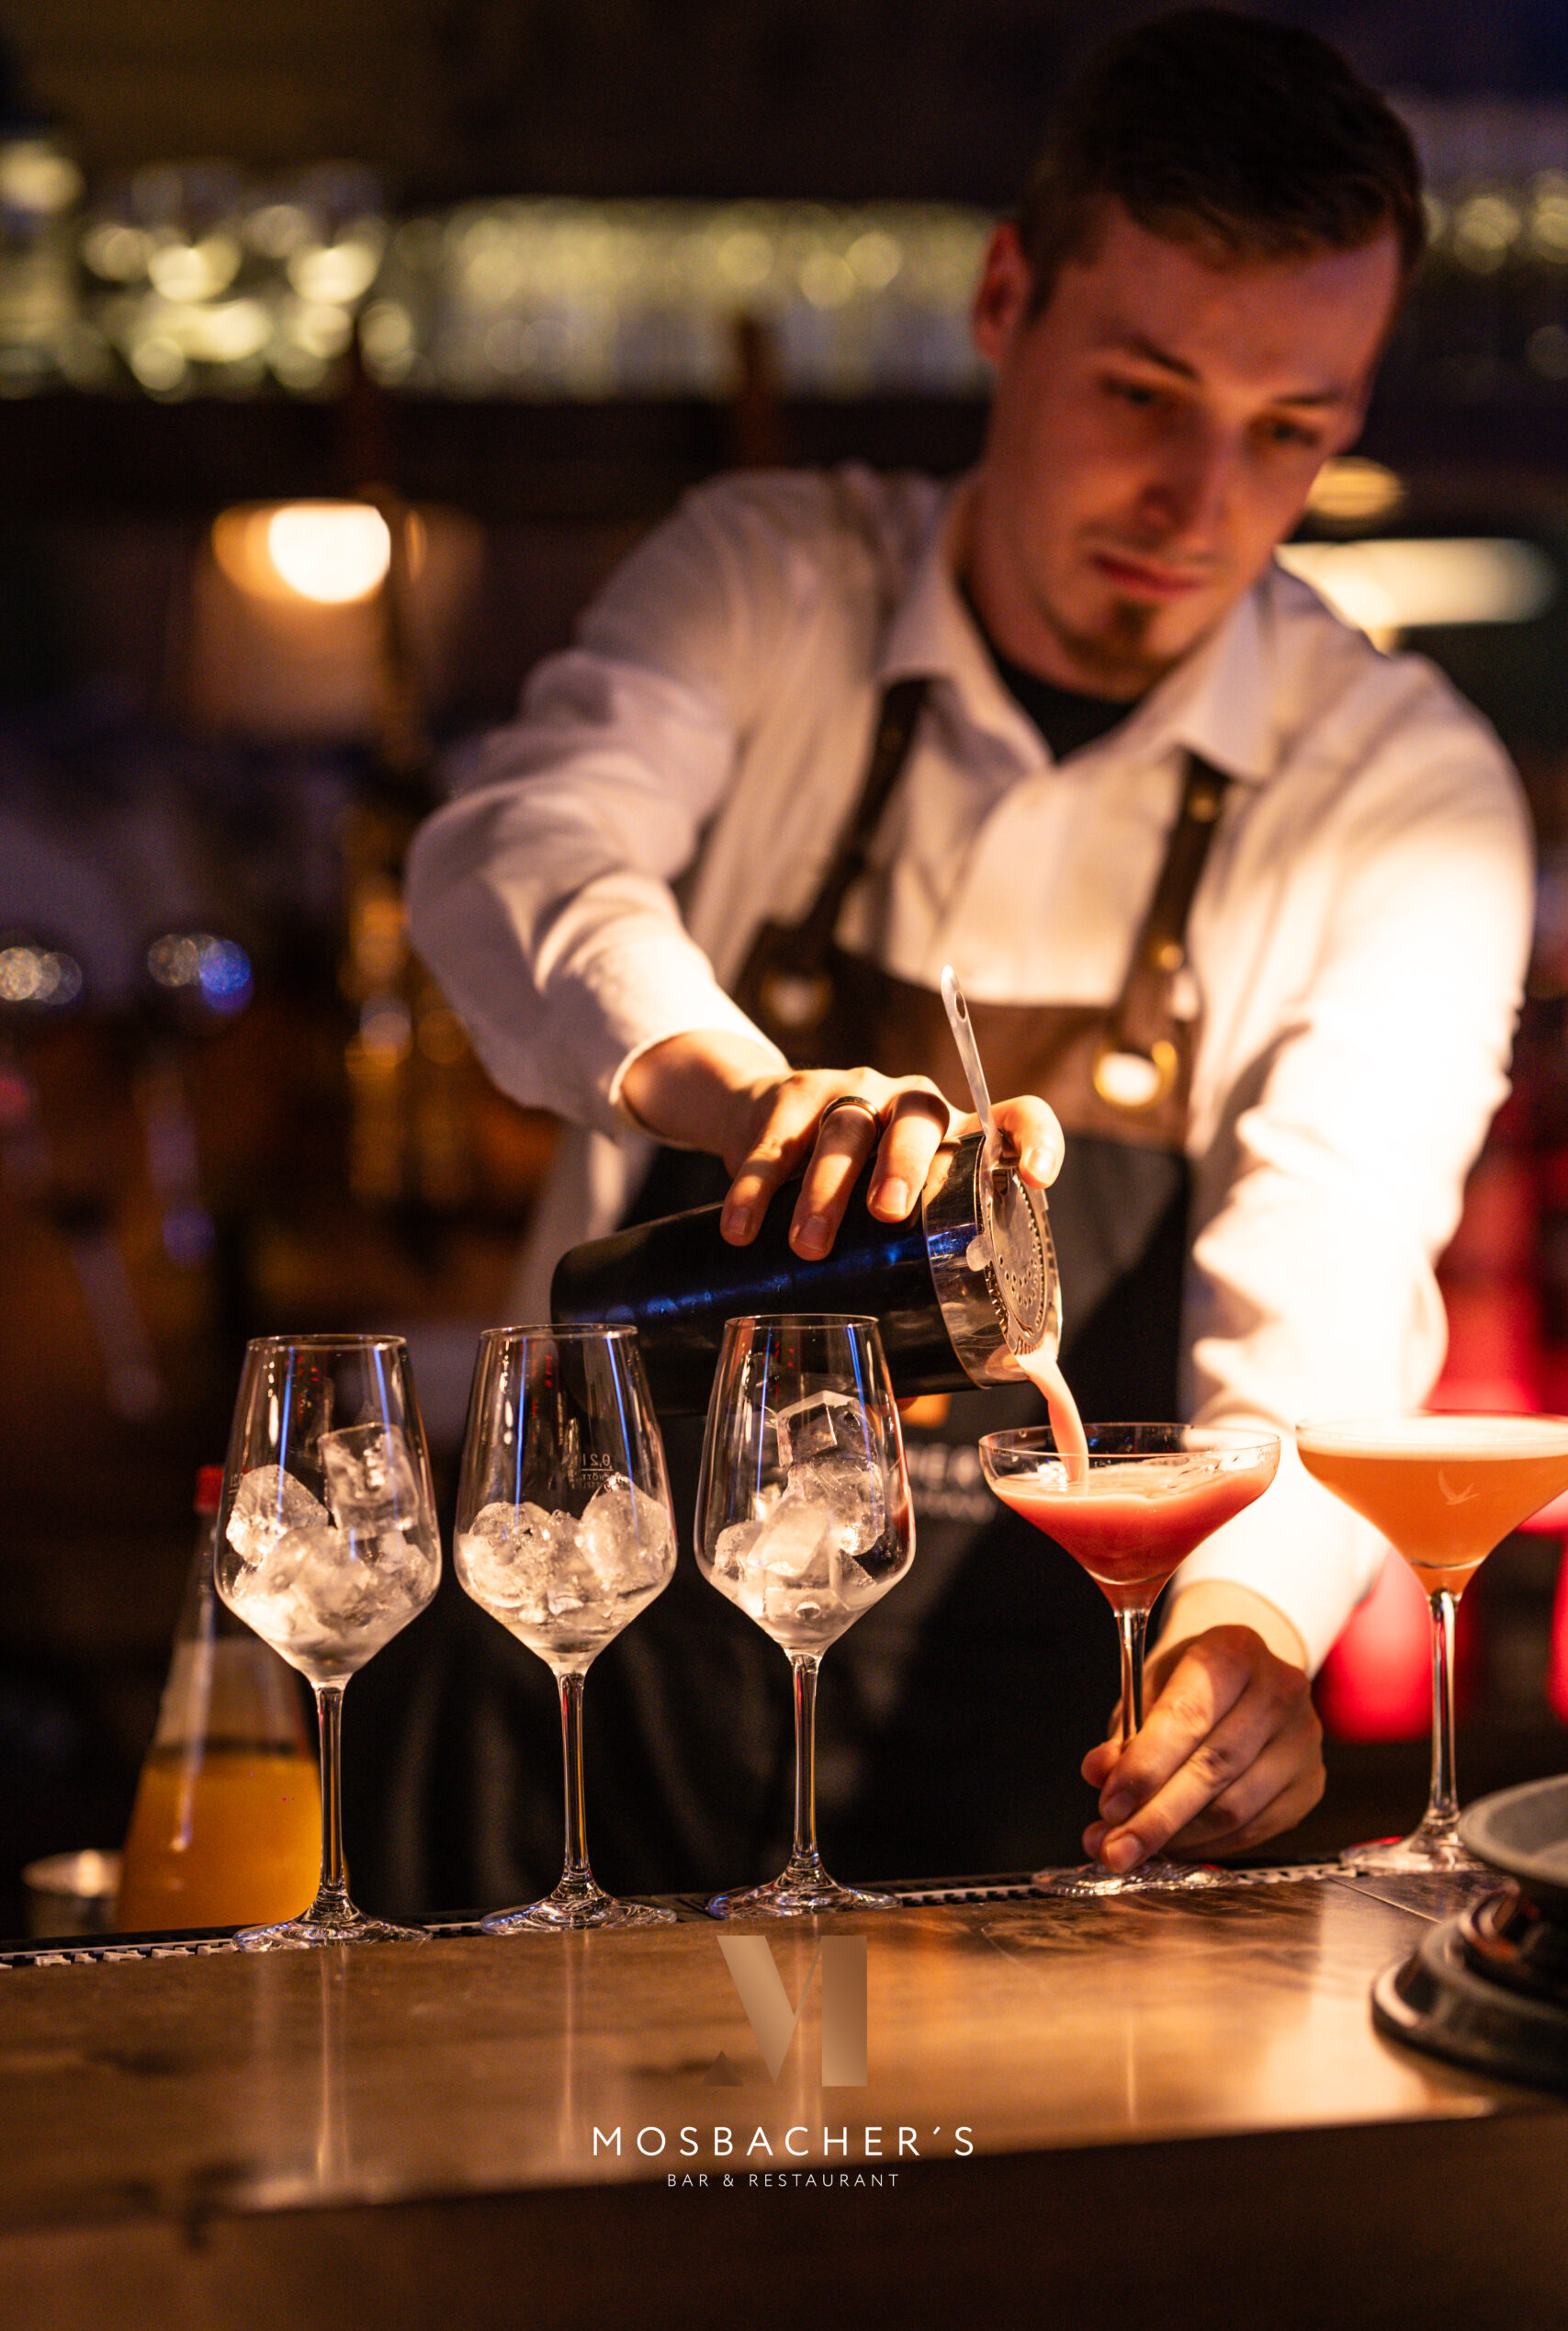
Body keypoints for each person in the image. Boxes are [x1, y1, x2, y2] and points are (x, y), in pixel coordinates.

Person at [401, 8, 1533, 1904]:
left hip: (1037, 1771)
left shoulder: (1394, 782)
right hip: (590, 1709)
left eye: (1289, 431)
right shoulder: (772, 579)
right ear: (1006, 299)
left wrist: (1244, 1617)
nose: (1199, 507)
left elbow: (1333, 1238)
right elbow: (516, 850)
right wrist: (742, 1094)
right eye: (1144, 394)